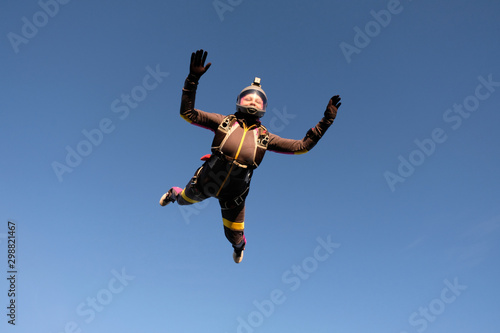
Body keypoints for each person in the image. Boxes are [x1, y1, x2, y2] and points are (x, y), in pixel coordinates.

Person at [159, 49, 342, 263]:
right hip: (205, 182)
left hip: (233, 198)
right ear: (239, 101)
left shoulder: (264, 137)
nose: (254, 102)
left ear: (264, 108)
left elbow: (302, 146)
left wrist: (326, 122)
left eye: (258, 101)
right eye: (249, 98)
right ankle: (174, 193)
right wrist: (192, 80)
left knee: (234, 237)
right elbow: (187, 113)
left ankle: (239, 246)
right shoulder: (224, 122)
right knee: (183, 201)